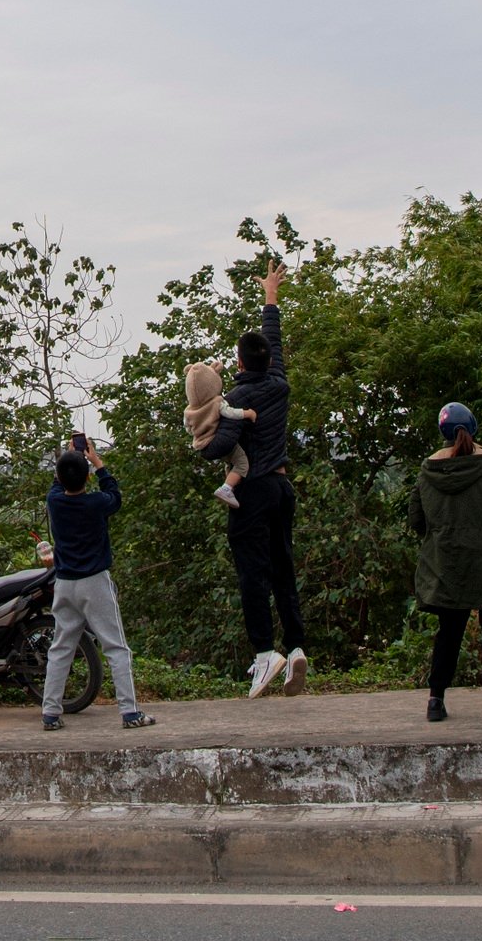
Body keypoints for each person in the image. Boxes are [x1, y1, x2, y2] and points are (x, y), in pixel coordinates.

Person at [201, 259, 308, 698]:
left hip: (255, 489)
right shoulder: (278, 384)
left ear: (240, 362)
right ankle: (297, 648)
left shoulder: (239, 397)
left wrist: (203, 428)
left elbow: (215, 447)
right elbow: (275, 343)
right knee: (284, 568)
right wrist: (271, 297)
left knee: (252, 575)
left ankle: (265, 653)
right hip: (283, 487)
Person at [408, 403, 482, 725]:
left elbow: (415, 518)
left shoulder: (428, 468)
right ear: (473, 428)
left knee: (448, 631)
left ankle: (436, 700)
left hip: (445, 562)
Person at [39, 441, 154, 731]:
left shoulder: (55, 502)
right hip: (95, 583)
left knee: (61, 648)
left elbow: (57, 483)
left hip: (64, 583)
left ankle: (51, 713)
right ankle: (130, 713)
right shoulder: (97, 503)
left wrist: (69, 457)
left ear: (60, 477)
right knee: (116, 647)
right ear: (87, 477)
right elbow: (114, 495)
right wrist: (98, 462)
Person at [182, 360, 256, 507]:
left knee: (231, 461)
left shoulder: (189, 410)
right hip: (216, 440)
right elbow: (231, 413)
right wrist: (247, 413)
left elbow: (188, 428)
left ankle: (231, 489)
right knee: (242, 463)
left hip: (201, 445)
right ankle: (226, 488)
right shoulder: (216, 402)